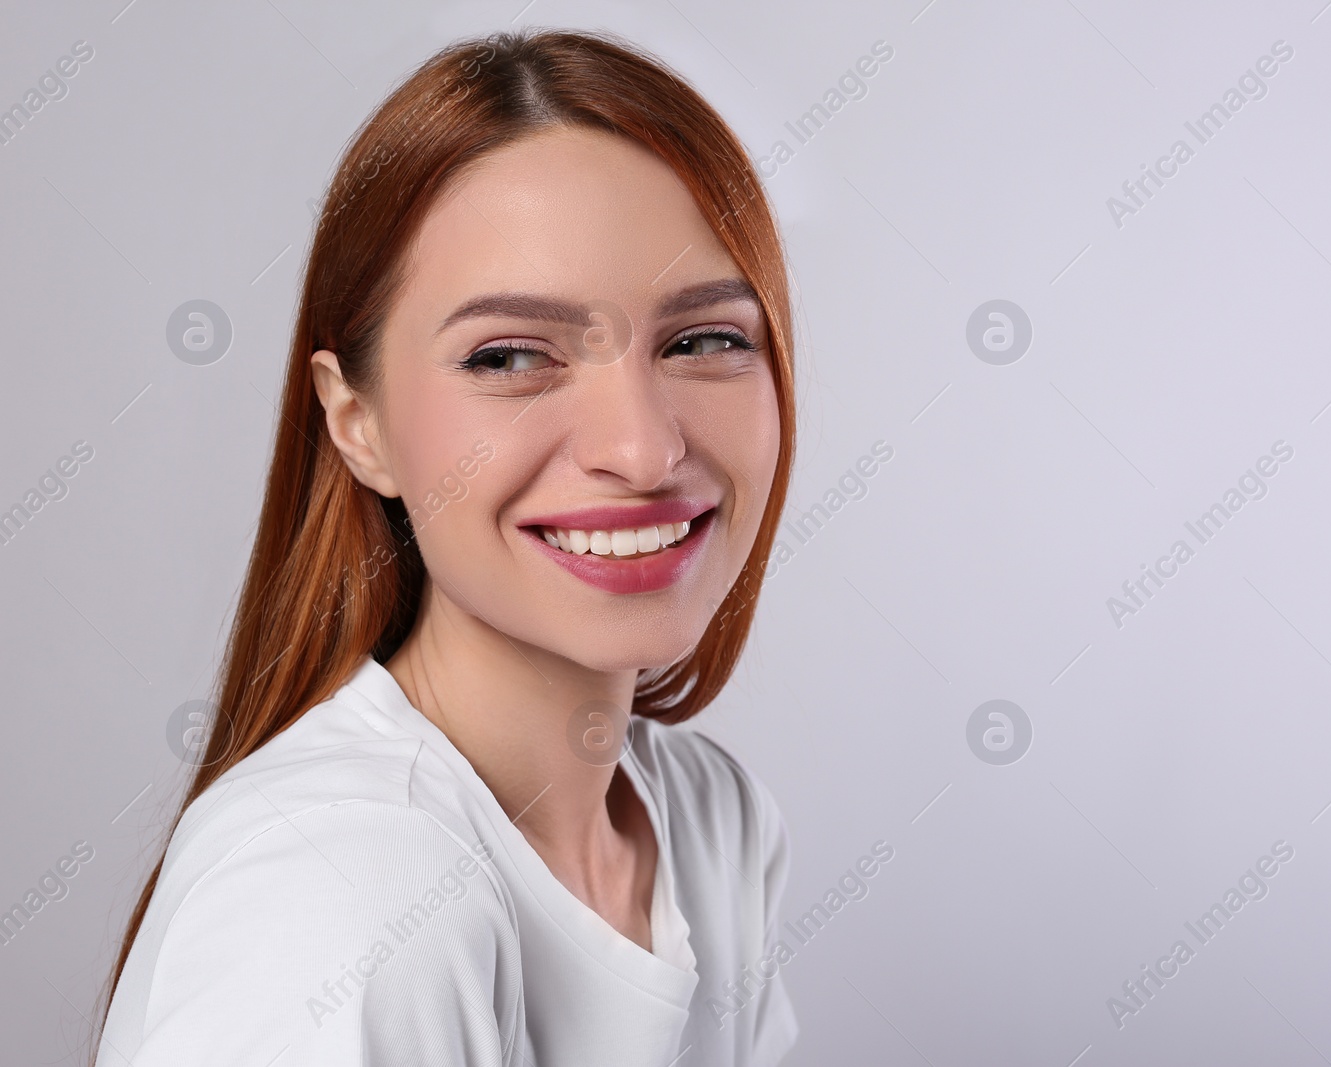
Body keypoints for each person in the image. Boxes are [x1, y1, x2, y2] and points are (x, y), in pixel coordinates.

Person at [93, 28, 800, 1067]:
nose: (643, 447)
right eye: (510, 355)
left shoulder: (710, 820)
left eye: (702, 340)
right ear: (356, 421)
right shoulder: (346, 891)